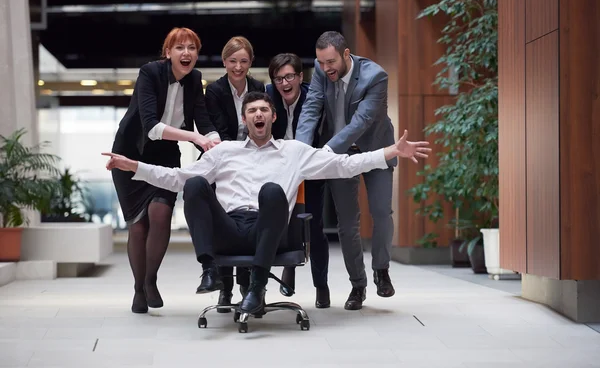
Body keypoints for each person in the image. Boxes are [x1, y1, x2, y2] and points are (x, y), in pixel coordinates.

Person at [102, 91, 431, 315]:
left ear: (273, 117)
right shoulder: (224, 151)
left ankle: (257, 285)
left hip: (270, 231)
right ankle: (210, 270)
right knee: (196, 183)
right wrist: (134, 167)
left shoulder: (294, 152)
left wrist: (390, 152)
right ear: (244, 119)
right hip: (229, 227)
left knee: (273, 191)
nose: (258, 115)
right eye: (251, 111)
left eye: (263, 110)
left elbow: (344, 165)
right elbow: (178, 178)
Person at [110, 27, 220, 314]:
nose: (187, 53)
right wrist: (196, 138)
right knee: (138, 225)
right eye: (180, 48)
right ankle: (138, 289)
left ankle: (150, 280)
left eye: (192, 48)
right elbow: (151, 127)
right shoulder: (149, 73)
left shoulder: (195, 79)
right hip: (130, 154)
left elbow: (203, 120)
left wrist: (217, 143)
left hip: (166, 155)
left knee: (161, 213)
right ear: (168, 53)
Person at [295, 31, 396, 310]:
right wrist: (300, 150)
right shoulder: (319, 69)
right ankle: (358, 285)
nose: (326, 68)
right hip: (338, 155)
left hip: (375, 149)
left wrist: (327, 151)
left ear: (346, 54)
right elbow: (312, 108)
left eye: (331, 62)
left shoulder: (376, 76)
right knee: (347, 223)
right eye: (321, 62)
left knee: (381, 212)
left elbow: (362, 121)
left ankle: (381, 269)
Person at [204, 36, 265, 311]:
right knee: (224, 221)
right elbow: (220, 130)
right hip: (225, 159)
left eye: (243, 61)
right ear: (224, 61)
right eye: (232, 61)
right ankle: (224, 287)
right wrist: (236, 153)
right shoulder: (215, 91)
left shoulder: (258, 86)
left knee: (248, 216)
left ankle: (246, 284)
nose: (238, 67)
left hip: (254, 158)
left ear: (251, 62)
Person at [266, 53, 330, 308]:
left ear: (300, 77)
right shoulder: (269, 96)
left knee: (314, 228)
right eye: (279, 78)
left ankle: (321, 286)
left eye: (289, 76)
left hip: (311, 169)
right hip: (279, 171)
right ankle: (288, 267)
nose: (284, 83)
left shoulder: (312, 97)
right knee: (281, 224)